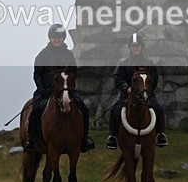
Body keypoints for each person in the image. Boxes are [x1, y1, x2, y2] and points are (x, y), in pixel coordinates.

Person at [24, 24, 96, 153]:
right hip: (45, 91)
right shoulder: (42, 55)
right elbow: (37, 74)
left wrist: (69, 86)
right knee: (35, 109)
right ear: (50, 38)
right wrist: (43, 88)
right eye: (54, 37)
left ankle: (84, 139)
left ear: (63, 38)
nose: (56, 40)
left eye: (59, 37)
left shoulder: (68, 54)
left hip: (65, 90)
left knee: (83, 108)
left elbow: (74, 72)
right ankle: (31, 139)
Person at [106, 33, 168, 149]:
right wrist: (126, 88)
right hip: (127, 96)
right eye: (133, 46)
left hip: (146, 95)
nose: (136, 48)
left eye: (138, 46)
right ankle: (112, 137)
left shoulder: (149, 63)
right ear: (130, 47)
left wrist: (147, 91)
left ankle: (161, 135)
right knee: (114, 111)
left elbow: (154, 78)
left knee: (159, 109)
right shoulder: (124, 63)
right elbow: (118, 78)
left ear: (141, 47)